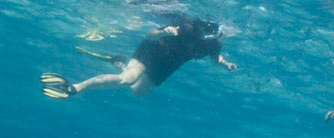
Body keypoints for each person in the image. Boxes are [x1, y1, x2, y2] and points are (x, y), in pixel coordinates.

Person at [39, 14, 235, 99]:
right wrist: (163, 32)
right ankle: (76, 87)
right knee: (127, 79)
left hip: (168, 66)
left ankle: (122, 62)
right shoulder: (186, 26)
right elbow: (148, 34)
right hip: (152, 50)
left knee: (137, 92)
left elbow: (215, 58)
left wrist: (225, 65)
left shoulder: (214, 43)